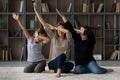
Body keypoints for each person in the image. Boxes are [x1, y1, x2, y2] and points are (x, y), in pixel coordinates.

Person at [56, 9, 108, 74]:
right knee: (77, 71)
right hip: (80, 64)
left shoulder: (90, 40)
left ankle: (100, 69)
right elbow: (70, 27)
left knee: (98, 71)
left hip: (90, 62)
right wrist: (62, 16)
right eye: (80, 30)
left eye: (83, 30)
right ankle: (91, 69)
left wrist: (82, 30)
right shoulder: (77, 38)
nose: (81, 32)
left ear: (86, 32)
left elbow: (91, 34)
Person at [33, 2, 74, 77]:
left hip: (63, 63)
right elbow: (44, 23)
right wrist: (36, 11)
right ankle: (58, 71)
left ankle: (53, 71)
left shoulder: (68, 39)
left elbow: (68, 31)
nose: (60, 31)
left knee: (71, 65)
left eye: (61, 30)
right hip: (52, 63)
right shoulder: (53, 37)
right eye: (58, 30)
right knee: (62, 55)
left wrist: (55, 27)